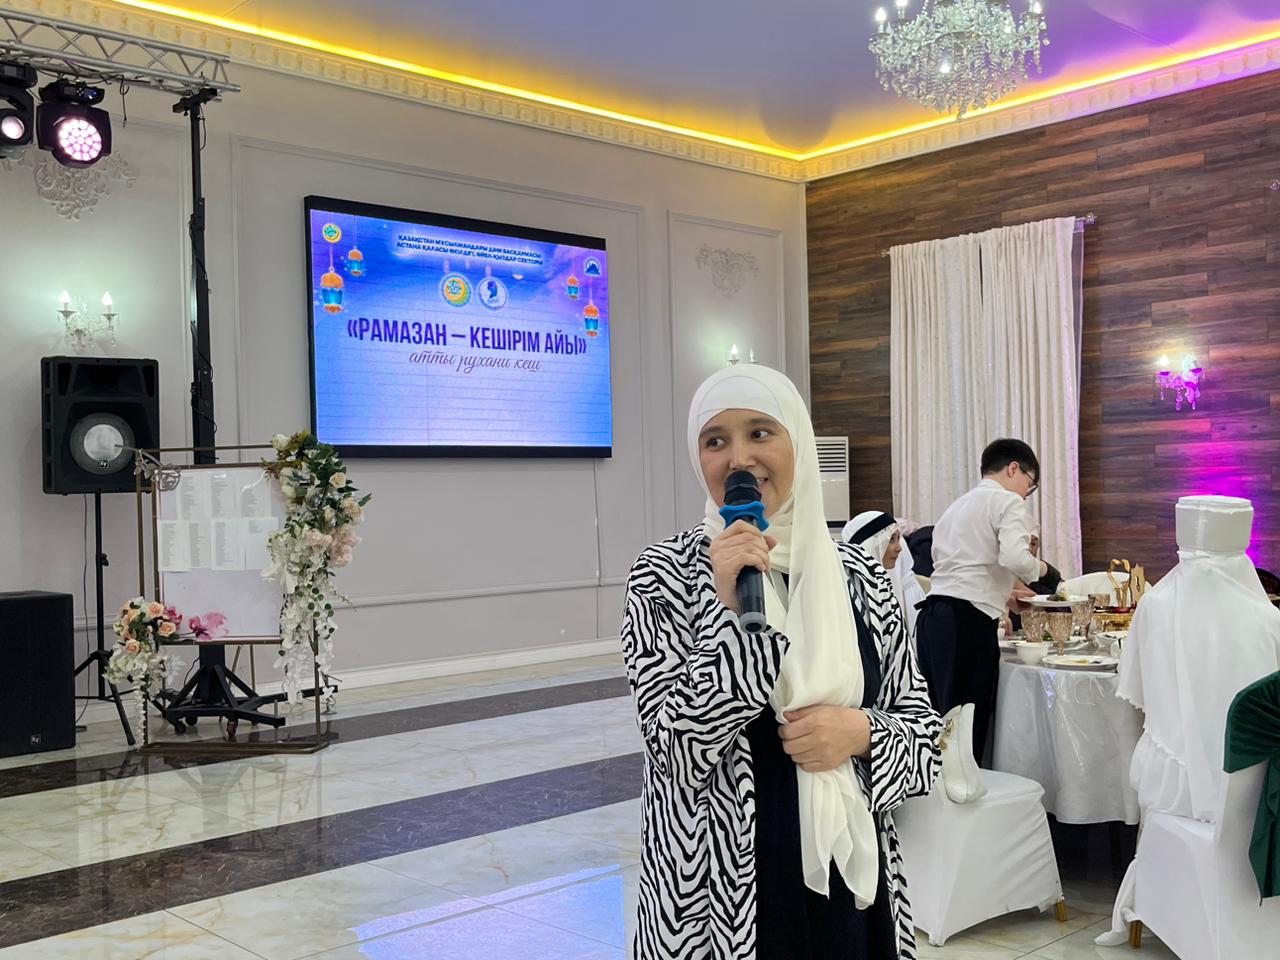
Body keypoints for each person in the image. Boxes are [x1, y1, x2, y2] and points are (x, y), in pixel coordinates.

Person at [623, 365, 941, 960]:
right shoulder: (664, 576)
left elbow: (924, 739)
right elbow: (676, 752)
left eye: (761, 432)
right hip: (720, 896)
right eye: (715, 441)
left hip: (850, 884)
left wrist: (862, 732)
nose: (739, 458)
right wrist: (734, 616)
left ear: (798, 440)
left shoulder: (862, 578)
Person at [914, 438, 1047, 766]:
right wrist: (1043, 570)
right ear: (1014, 468)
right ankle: (964, 790)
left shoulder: (956, 507)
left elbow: (958, 568)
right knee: (966, 723)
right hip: (967, 623)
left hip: (933, 617)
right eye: (1029, 485)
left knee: (940, 719)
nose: (1025, 494)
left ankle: (935, 788)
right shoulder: (1007, 501)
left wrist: (1005, 596)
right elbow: (1015, 558)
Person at [843, 511, 927, 640]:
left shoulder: (905, 587)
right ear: (870, 545)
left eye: (899, 539)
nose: (899, 548)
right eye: (891, 539)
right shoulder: (850, 593)